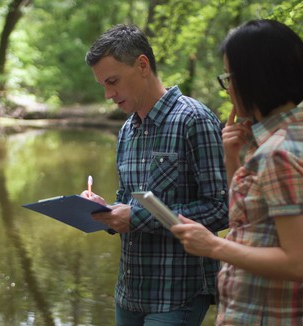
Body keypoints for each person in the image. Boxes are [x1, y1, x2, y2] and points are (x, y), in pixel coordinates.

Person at [171, 19, 303, 325]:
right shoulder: (302, 134)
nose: (228, 88)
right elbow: (253, 222)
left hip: (269, 314)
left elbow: (300, 263)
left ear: (255, 78)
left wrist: (213, 245)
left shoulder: (280, 152)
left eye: (230, 77)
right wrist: (232, 155)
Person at [82, 24, 229, 325]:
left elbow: (221, 208)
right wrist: (105, 211)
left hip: (178, 294)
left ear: (142, 65)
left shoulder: (195, 119)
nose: (109, 94)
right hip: (129, 293)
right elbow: (127, 201)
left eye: (113, 81)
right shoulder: (127, 130)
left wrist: (135, 218)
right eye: (103, 86)